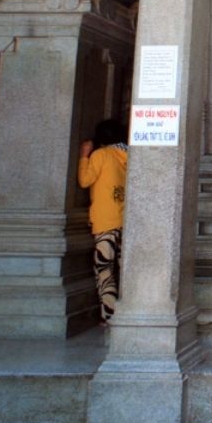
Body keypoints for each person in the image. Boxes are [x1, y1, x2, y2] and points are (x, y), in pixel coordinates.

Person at [78, 119, 129, 324]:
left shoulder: (101, 155)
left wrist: (83, 157)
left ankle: (109, 314)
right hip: (124, 218)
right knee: (124, 266)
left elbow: (85, 180)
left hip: (105, 220)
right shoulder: (128, 155)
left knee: (104, 269)